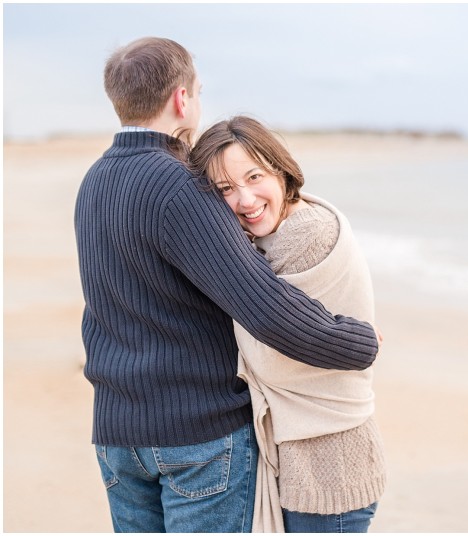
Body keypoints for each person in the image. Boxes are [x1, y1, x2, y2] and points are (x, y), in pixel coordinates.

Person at [74, 37, 379, 533]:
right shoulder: (178, 184)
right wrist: (359, 340)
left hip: (116, 435)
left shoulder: (95, 180)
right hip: (195, 435)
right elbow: (266, 308)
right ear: (182, 99)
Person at [188, 116, 387, 533]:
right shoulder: (261, 238)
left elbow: (271, 350)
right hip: (301, 463)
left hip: (330, 467)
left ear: (280, 170)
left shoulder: (305, 234)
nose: (245, 199)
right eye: (225, 189)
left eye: (254, 176)